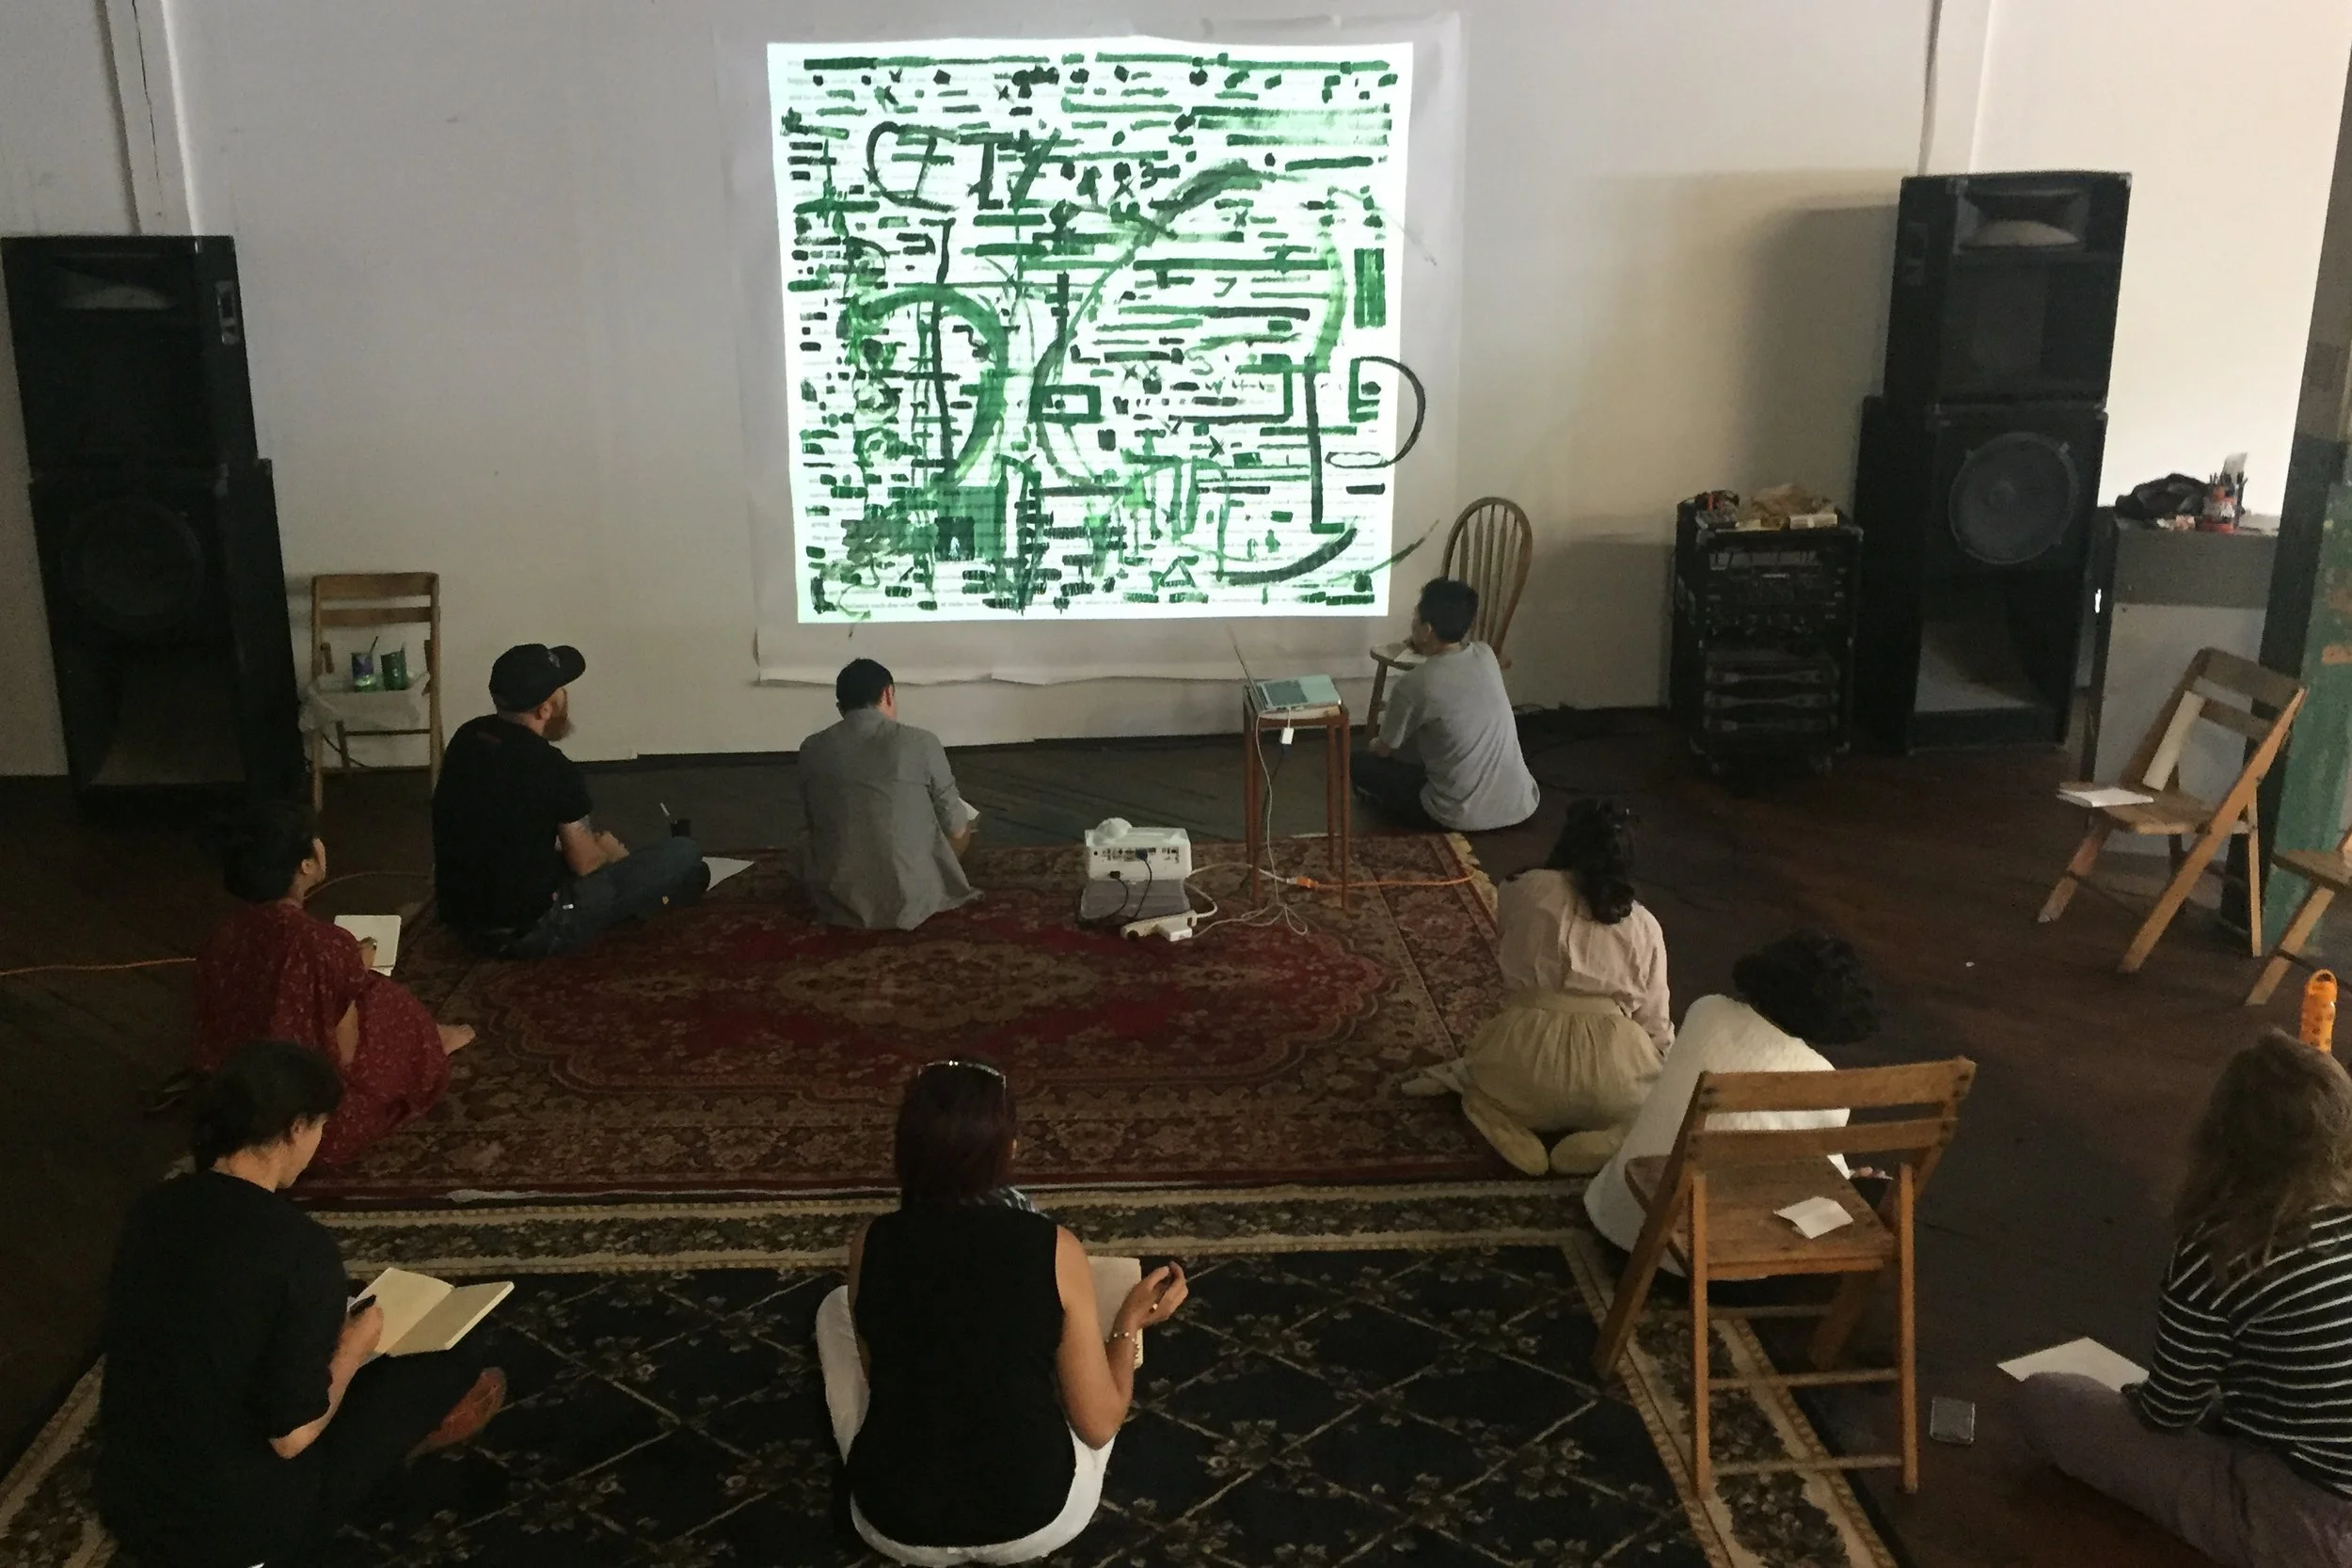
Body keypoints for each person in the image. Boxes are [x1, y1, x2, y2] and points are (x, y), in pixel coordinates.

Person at [99, 1040, 505, 1568]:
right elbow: (291, 1437)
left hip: (129, 1502)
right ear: (296, 1127)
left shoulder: (153, 1209)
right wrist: (352, 1349)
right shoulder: (298, 1249)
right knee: (452, 1357)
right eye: (320, 1127)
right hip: (235, 1531)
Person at [815, 1059, 1188, 1563]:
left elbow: (879, 1371)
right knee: (1074, 1362)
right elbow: (1099, 1424)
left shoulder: (871, 1242)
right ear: (1008, 1150)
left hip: (894, 1521)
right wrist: (1126, 1327)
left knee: (835, 1307)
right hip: (1039, 1519)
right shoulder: (1053, 1246)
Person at [2016, 1030, 2352, 1568]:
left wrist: (2138, 1398)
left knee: (2048, 1398)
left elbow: (2170, 1411)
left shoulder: (2216, 1251)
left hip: (2307, 1521)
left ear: (2221, 1136)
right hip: (2313, 1472)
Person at [193, 800, 471, 1166]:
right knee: (380, 996)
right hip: (305, 1130)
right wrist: (353, 971)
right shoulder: (322, 944)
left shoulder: (222, 936)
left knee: (357, 984)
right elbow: (347, 1055)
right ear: (306, 864)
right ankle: (430, 1046)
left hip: (234, 1113)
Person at [1405, 799, 1669, 1177]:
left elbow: (1508, 940)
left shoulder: (1523, 888)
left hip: (1524, 1055)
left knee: (1484, 1086)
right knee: (1646, 1109)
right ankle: (1613, 1136)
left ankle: (1504, 1123)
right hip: (1615, 1069)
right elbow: (1655, 1019)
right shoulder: (1644, 925)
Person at [1584, 928, 1880, 1259]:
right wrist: (1856, 1184)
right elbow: (1820, 1183)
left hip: (1613, 1218)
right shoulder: (1821, 1080)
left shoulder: (1706, 1011)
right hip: (1696, 1262)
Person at [431, 642, 708, 957]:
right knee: (684, 853)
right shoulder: (552, 767)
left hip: (459, 916)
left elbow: (500, 819)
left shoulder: (468, 735)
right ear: (545, 709)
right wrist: (611, 855)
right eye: (561, 689)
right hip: (527, 930)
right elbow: (585, 864)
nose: (566, 695)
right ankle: (663, 893)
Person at [799, 657, 981, 931]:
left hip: (840, 896)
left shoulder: (811, 748)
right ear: (887, 693)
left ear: (840, 708)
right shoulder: (922, 742)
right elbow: (955, 829)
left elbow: (809, 827)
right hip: (912, 898)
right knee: (967, 823)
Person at [1353, 577, 1539, 833]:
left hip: (1456, 816)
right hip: (1521, 805)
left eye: (1415, 618)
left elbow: (1385, 749)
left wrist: (1373, 745)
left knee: (1361, 764)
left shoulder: (1413, 683)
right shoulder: (1486, 655)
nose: (1412, 624)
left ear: (1427, 629)